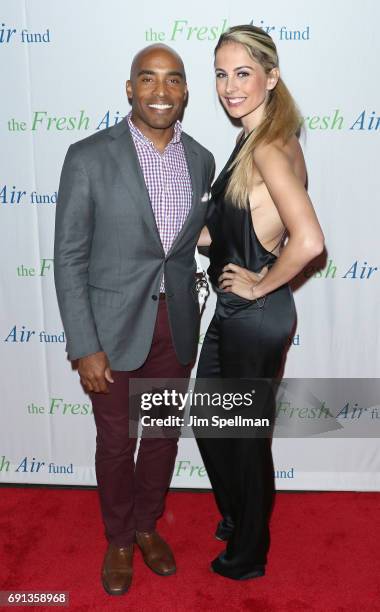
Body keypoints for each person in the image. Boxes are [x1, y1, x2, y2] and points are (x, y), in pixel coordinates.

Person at [54, 44, 215, 596]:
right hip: (112, 330)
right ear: (130, 89)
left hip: (177, 327)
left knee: (164, 435)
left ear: (186, 92)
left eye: (173, 80)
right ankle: (119, 537)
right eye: (148, 79)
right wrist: (84, 344)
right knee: (117, 442)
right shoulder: (88, 157)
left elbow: (186, 245)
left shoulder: (201, 159)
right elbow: (70, 257)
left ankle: (148, 525)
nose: (161, 91)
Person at [195, 25, 324, 580]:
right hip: (237, 315)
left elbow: (311, 240)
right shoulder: (255, 140)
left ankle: (248, 554)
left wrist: (260, 283)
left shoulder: (269, 146)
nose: (230, 86)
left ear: (271, 77)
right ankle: (239, 514)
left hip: (255, 316)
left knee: (244, 439)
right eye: (222, 74)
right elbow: (241, 229)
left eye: (243, 73)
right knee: (211, 419)